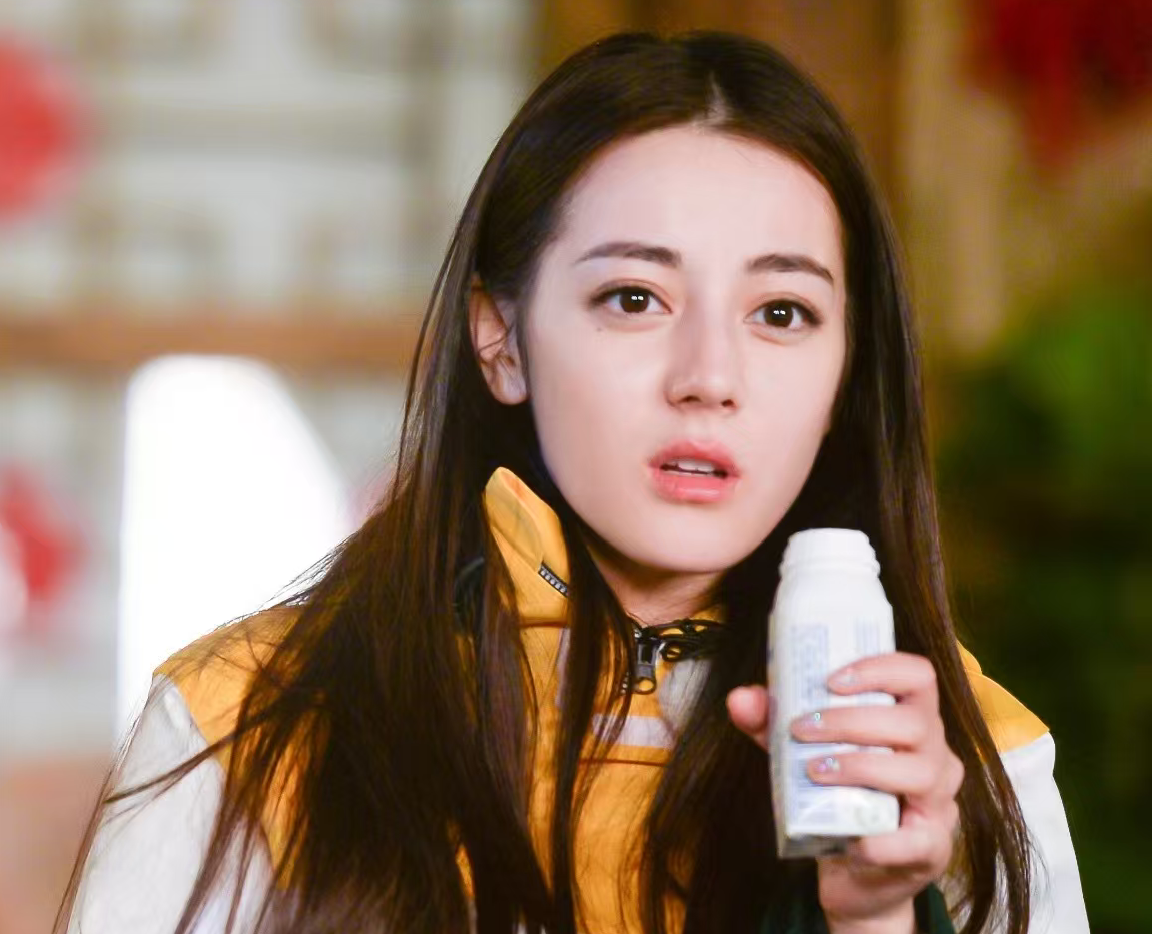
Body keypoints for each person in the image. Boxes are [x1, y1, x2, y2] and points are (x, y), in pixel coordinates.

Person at [56, 31, 1089, 934]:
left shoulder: (961, 760)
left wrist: (873, 917)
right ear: (501, 339)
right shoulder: (246, 722)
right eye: (635, 297)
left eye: (781, 313)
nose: (710, 377)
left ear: (844, 377)